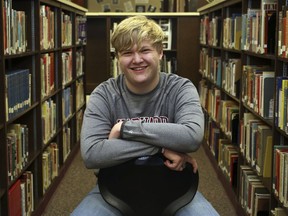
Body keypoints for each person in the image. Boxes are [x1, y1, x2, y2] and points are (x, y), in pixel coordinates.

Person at [72, 15, 219, 216]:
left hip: (176, 187)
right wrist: (161, 147)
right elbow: (92, 154)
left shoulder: (180, 88)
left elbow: (192, 136)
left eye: (144, 50)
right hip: (114, 187)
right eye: (127, 52)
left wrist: (124, 129)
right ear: (117, 58)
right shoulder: (104, 94)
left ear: (160, 53)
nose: (137, 59)